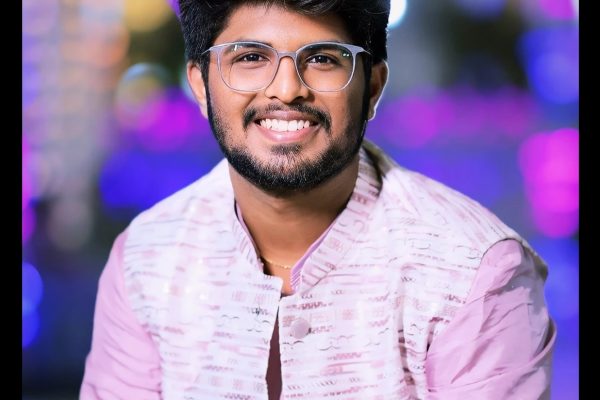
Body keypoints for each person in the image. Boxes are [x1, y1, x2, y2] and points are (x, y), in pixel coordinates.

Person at [80, 1, 556, 399]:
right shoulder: (146, 258)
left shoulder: (472, 270)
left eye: (323, 58)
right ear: (201, 85)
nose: (287, 89)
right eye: (251, 57)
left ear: (372, 88)